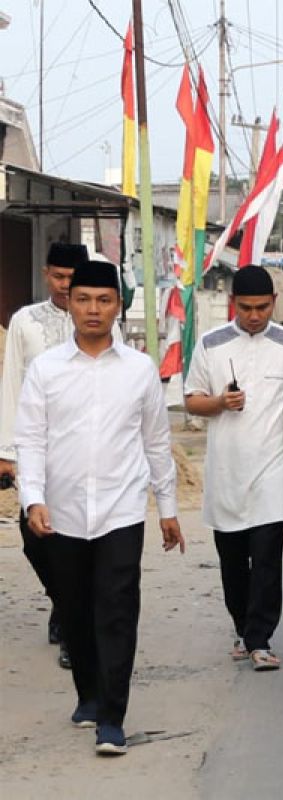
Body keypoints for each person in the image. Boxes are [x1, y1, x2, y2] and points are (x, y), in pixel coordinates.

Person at [13, 260, 184, 756]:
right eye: (83, 299)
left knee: (116, 611)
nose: (93, 309)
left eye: (103, 300)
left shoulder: (139, 370)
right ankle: (88, 694)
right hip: (61, 511)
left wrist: (167, 507)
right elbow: (31, 440)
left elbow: (156, 442)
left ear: (118, 306)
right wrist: (34, 500)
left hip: (121, 510)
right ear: (69, 303)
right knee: (74, 610)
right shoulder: (46, 370)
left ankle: (113, 716)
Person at [184, 265, 283, 672]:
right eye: (246, 308)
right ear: (233, 305)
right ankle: (243, 628)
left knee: (266, 559)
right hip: (226, 470)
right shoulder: (211, 344)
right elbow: (191, 400)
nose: (255, 315)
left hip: (274, 468)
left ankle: (260, 638)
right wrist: (219, 404)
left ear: (274, 304)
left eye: (262, 307)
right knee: (233, 561)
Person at [1, 243, 120, 670]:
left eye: (73, 278)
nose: (65, 286)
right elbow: (11, 382)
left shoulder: (102, 319)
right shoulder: (24, 322)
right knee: (35, 540)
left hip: (87, 453)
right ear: (46, 274)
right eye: (58, 277)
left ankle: (76, 625)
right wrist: (6, 452)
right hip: (36, 450)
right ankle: (64, 600)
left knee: (82, 539)